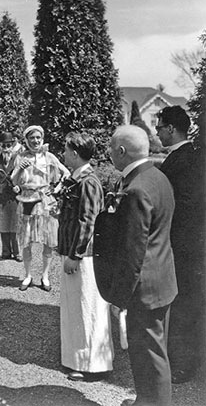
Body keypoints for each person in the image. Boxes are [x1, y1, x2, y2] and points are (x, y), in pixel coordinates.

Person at [108, 125, 177, 406]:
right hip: (162, 278)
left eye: (111, 149)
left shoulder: (135, 189)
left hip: (144, 286)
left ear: (121, 152)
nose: (109, 154)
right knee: (150, 351)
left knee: (151, 354)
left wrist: (119, 297)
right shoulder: (158, 177)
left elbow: (132, 251)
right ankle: (144, 400)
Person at [58, 132, 113, 381]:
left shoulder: (88, 182)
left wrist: (75, 255)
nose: (64, 154)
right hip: (74, 253)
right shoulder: (76, 179)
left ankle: (94, 365)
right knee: (76, 308)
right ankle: (77, 360)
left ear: (76, 153)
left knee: (88, 307)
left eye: (67, 150)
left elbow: (88, 221)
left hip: (85, 257)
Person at [156, 106, 205, 383]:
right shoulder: (185, 157)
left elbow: (187, 205)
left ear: (172, 129)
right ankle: (181, 359)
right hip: (186, 243)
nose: (157, 132)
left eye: (160, 127)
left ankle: (185, 364)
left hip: (184, 245)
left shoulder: (183, 160)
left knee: (185, 301)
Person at [11, 125, 69, 291]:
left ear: (42, 138)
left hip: (45, 200)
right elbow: (14, 181)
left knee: (48, 240)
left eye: (38, 138)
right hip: (26, 199)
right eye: (32, 138)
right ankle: (28, 275)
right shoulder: (20, 156)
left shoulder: (48, 156)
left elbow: (66, 174)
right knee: (26, 240)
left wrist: (56, 189)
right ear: (27, 140)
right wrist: (19, 169)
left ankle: (45, 276)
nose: (35, 141)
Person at [0, 132, 21, 262]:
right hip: (0, 196)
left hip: (14, 196)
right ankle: (5, 251)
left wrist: (20, 188)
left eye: (9, 145)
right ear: (0, 146)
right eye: (4, 145)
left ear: (13, 145)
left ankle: (17, 252)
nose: (6, 148)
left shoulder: (19, 160)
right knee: (3, 224)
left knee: (15, 224)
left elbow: (24, 178)